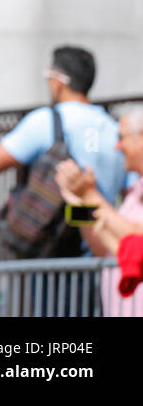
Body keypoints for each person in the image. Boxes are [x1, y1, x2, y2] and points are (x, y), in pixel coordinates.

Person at [0, 47, 127, 246]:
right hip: (103, 254)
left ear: (58, 81)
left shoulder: (46, 122)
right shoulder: (116, 131)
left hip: (50, 255)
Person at [53, 104, 143, 316]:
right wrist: (78, 205)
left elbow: (137, 240)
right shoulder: (133, 194)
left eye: (122, 137)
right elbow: (106, 249)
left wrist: (90, 195)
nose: (117, 146)